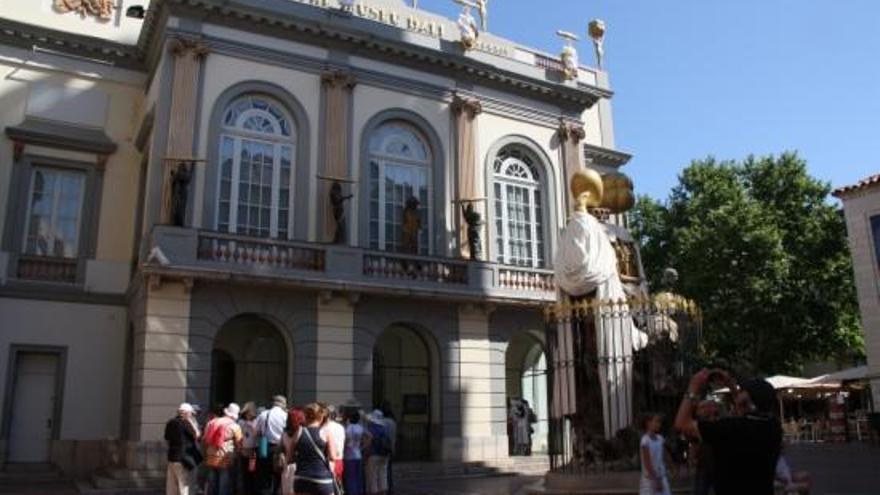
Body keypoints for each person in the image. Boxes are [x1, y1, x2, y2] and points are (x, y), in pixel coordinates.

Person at [674, 369, 783, 495]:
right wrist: (731, 386)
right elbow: (746, 412)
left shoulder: (730, 428)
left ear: (747, 400)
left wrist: (693, 386)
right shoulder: (774, 427)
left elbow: (681, 424)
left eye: (743, 391)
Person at [290, 403, 340, 495]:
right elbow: (333, 457)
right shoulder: (326, 432)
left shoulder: (298, 432)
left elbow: (289, 459)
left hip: (302, 478)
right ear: (321, 417)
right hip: (322, 478)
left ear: (305, 416)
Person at [203, 403, 243, 495]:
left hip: (210, 457)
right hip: (225, 459)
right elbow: (239, 444)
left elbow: (205, 439)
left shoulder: (211, 422)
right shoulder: (234, 426)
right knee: (224, 486)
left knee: (212, 485)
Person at [164, 403, 202, 495]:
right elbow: (197, 435)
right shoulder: (186, 422)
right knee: (185, 487)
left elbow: (166, 438)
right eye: (191, 413)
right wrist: (191, 422)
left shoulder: (171, 422)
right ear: (187, 413)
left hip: (172, 457)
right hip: (184, 459)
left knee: (172, 487)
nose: (192, 415)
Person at [255, 395, 288, 495]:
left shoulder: (263, 414)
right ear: (283, 404)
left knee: (264, 476)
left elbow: (256, 431)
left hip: (264, 447)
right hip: (280, 448)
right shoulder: (285, 415)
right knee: (278, 476)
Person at [690, 400, 718, 495]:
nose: (705, 410)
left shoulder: (719, 423)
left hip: (717, 463)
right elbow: (694, 443)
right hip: (704, 463)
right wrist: (693, 457)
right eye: (702, 408)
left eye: (706, 407)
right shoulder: (696, 424)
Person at [639, 413, 671, 495]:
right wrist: (656, 479)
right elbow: (647, 463)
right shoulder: (645, 441)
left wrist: (670, 466)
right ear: (648, 423)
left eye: (659, 422)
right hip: (650, 479)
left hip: (661, 475)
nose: (658, 424)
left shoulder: (660, 439)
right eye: (656, 422)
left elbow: (664, 455)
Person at [364, 410, 392, 495]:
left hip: (373, 455)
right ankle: (383, 491)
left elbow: (368, 443)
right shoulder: (384, 428)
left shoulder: (370, 429)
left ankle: (374, 492)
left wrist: (365, 454)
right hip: (384, 454)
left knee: (373, 476)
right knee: (383, 474)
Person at [280, 408, 306, 495]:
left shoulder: (284, 432)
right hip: (299, 468)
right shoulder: (303, 432)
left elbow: (280, 449)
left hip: (286, 467)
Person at [343, 408, 367, 495]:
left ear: (349, 418)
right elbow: (370, 437)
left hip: (349, 456)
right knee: (358, 477)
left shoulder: (348, 428)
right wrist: (363, 447)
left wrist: (344, 448)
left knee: (350, 478)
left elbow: (346, 441)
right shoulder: (360, 427)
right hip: (358, 455)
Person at [237, 402, 259, 495]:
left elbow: (256, 433)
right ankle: (246, 491)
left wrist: (251, 425)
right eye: (248, 413)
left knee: (252, 472)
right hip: (245, 450)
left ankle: (251, 491)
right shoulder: (241, 422)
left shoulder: (255, 422)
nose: (249, 415)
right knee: (245, 473)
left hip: (252, 450)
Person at [322, 405, 346, 481]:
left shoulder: (324, 428)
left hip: (328, 461)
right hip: (339, 459)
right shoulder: (340, 427)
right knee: (338, 486)